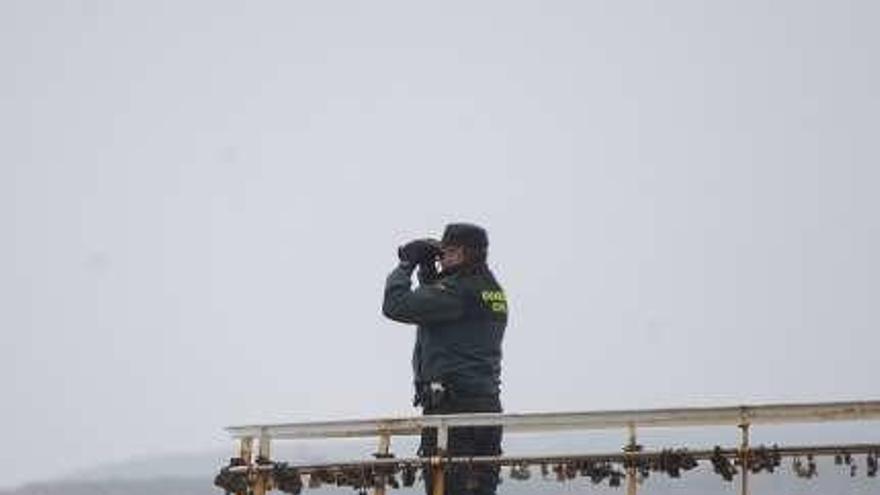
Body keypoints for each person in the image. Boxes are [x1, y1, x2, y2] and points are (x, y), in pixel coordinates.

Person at [382, 223, 507, 495]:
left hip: (451, 413)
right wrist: (429, 272)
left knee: (446, 489)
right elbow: (442, 313)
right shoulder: (490, 289)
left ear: (464, 254)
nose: (442, 257)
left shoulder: (457, 292)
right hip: (486, 411)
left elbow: (395, 305)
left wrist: (406, 265)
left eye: (447, 252)